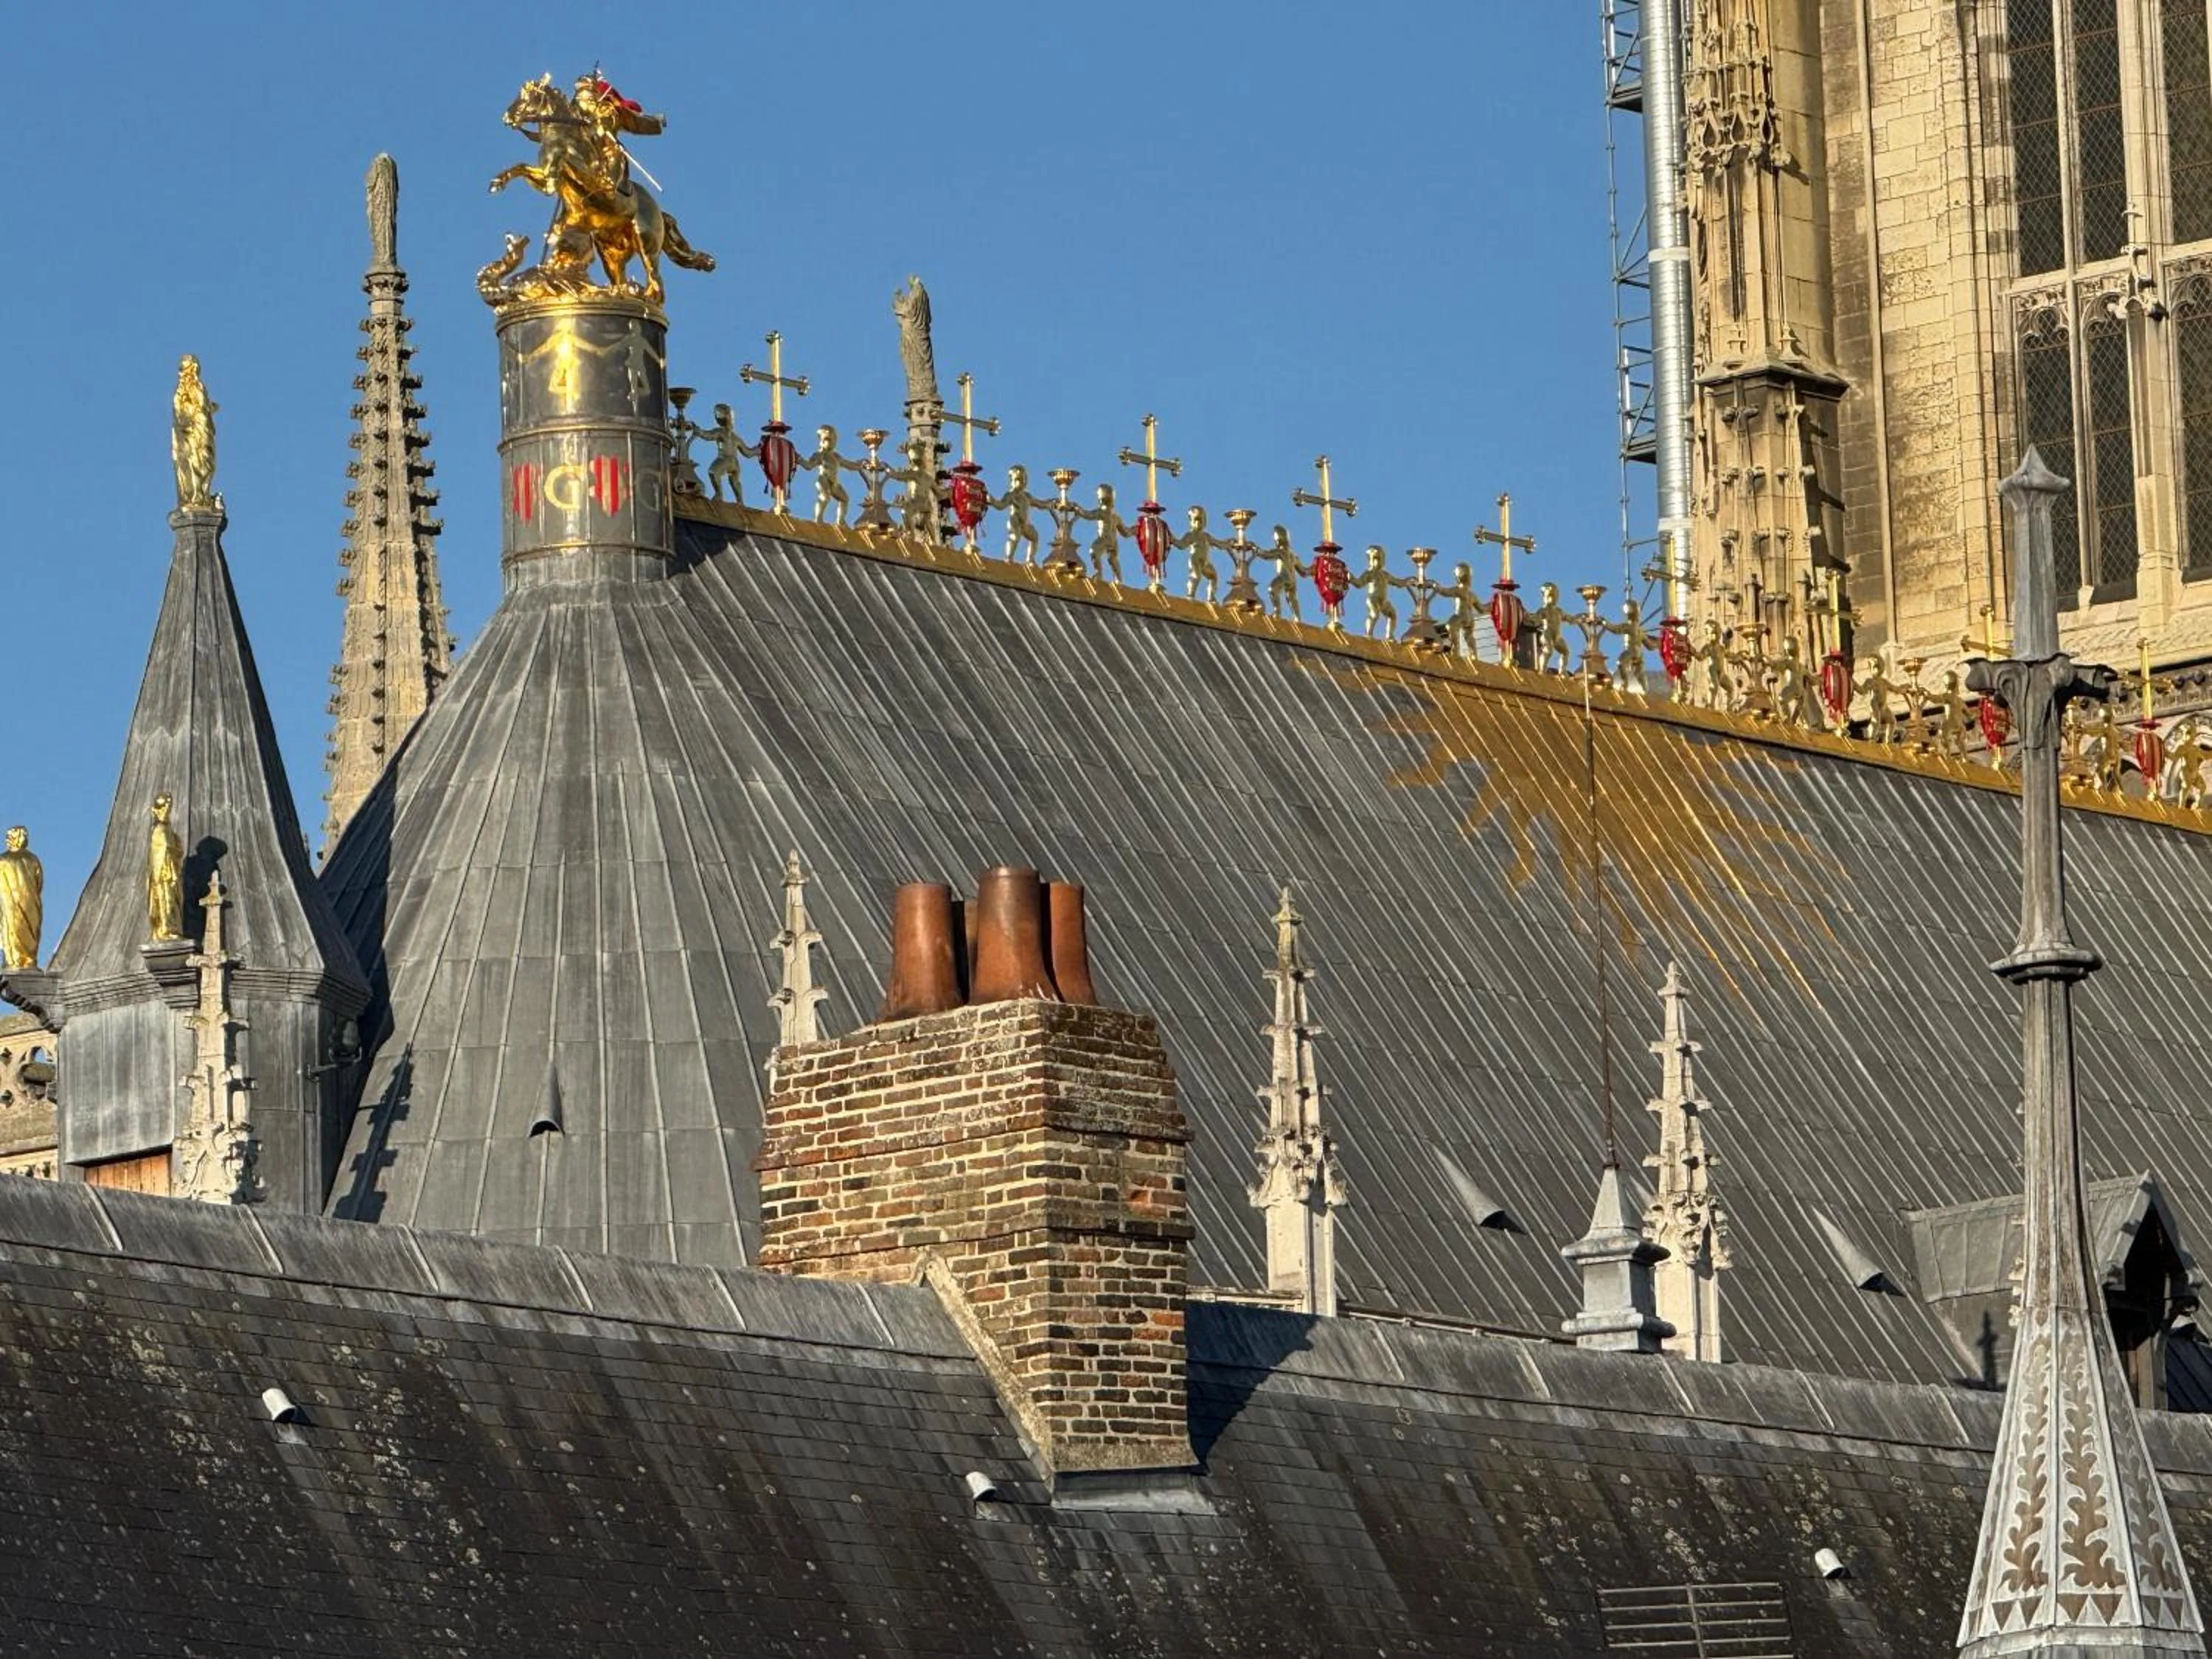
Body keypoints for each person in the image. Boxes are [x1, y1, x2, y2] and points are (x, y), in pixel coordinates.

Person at [0, 827, 41, 971]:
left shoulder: (2, 860)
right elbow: (39, 883)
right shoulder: (33, 859)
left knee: (12, 931)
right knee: (30, 932)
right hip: (30, 905)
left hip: (10, 906)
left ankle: (15, 961)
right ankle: (28, 961)